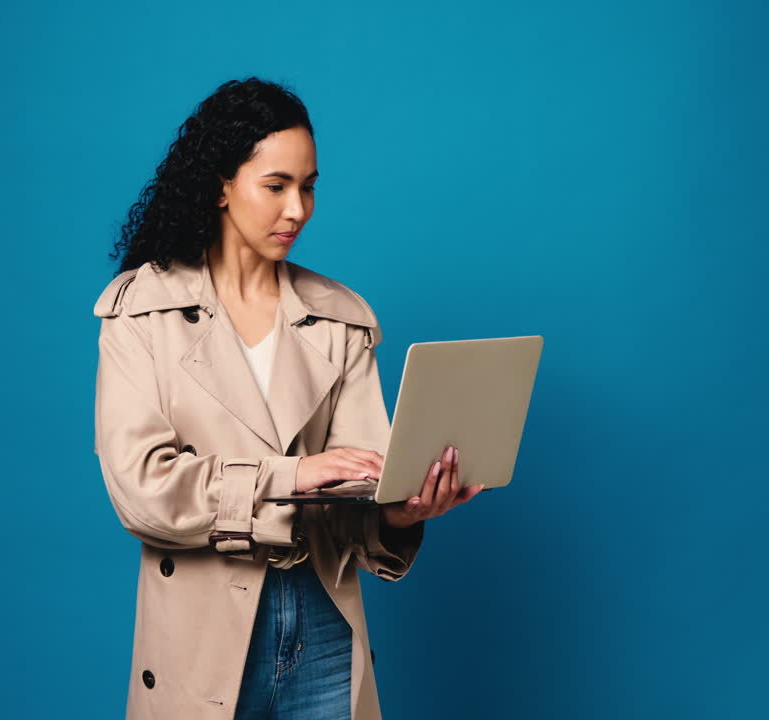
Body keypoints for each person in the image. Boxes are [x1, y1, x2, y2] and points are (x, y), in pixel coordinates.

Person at [93, 78, 484, 720]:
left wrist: (403, 513)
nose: (297, 209)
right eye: (276, 186)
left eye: (308, 187)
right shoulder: (143, 310)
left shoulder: (341, 319)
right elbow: (143, 490)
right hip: (204, 631)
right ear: (222, 184)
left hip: (324, 618)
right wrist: (295, 474)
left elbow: (360, 487)